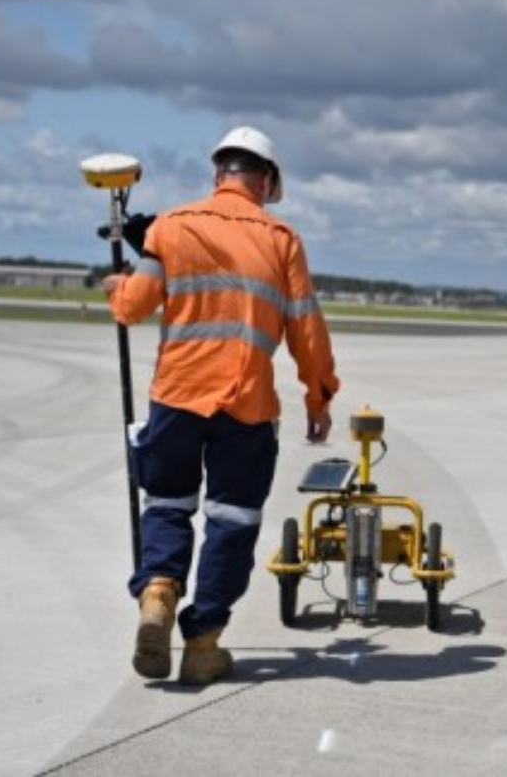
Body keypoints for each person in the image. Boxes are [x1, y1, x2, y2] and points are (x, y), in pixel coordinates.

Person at [102, 126, 340, 685]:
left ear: (218, 174)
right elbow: (306, 327)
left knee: (165, 505)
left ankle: (158, 591)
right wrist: (317, 392)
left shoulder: (171, 227)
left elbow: (133, 308)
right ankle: (203, 642)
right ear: (266, 180)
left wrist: (119, 283)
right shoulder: (282, 239)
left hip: (176, 397)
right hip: (245, 407)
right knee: (231, 523)